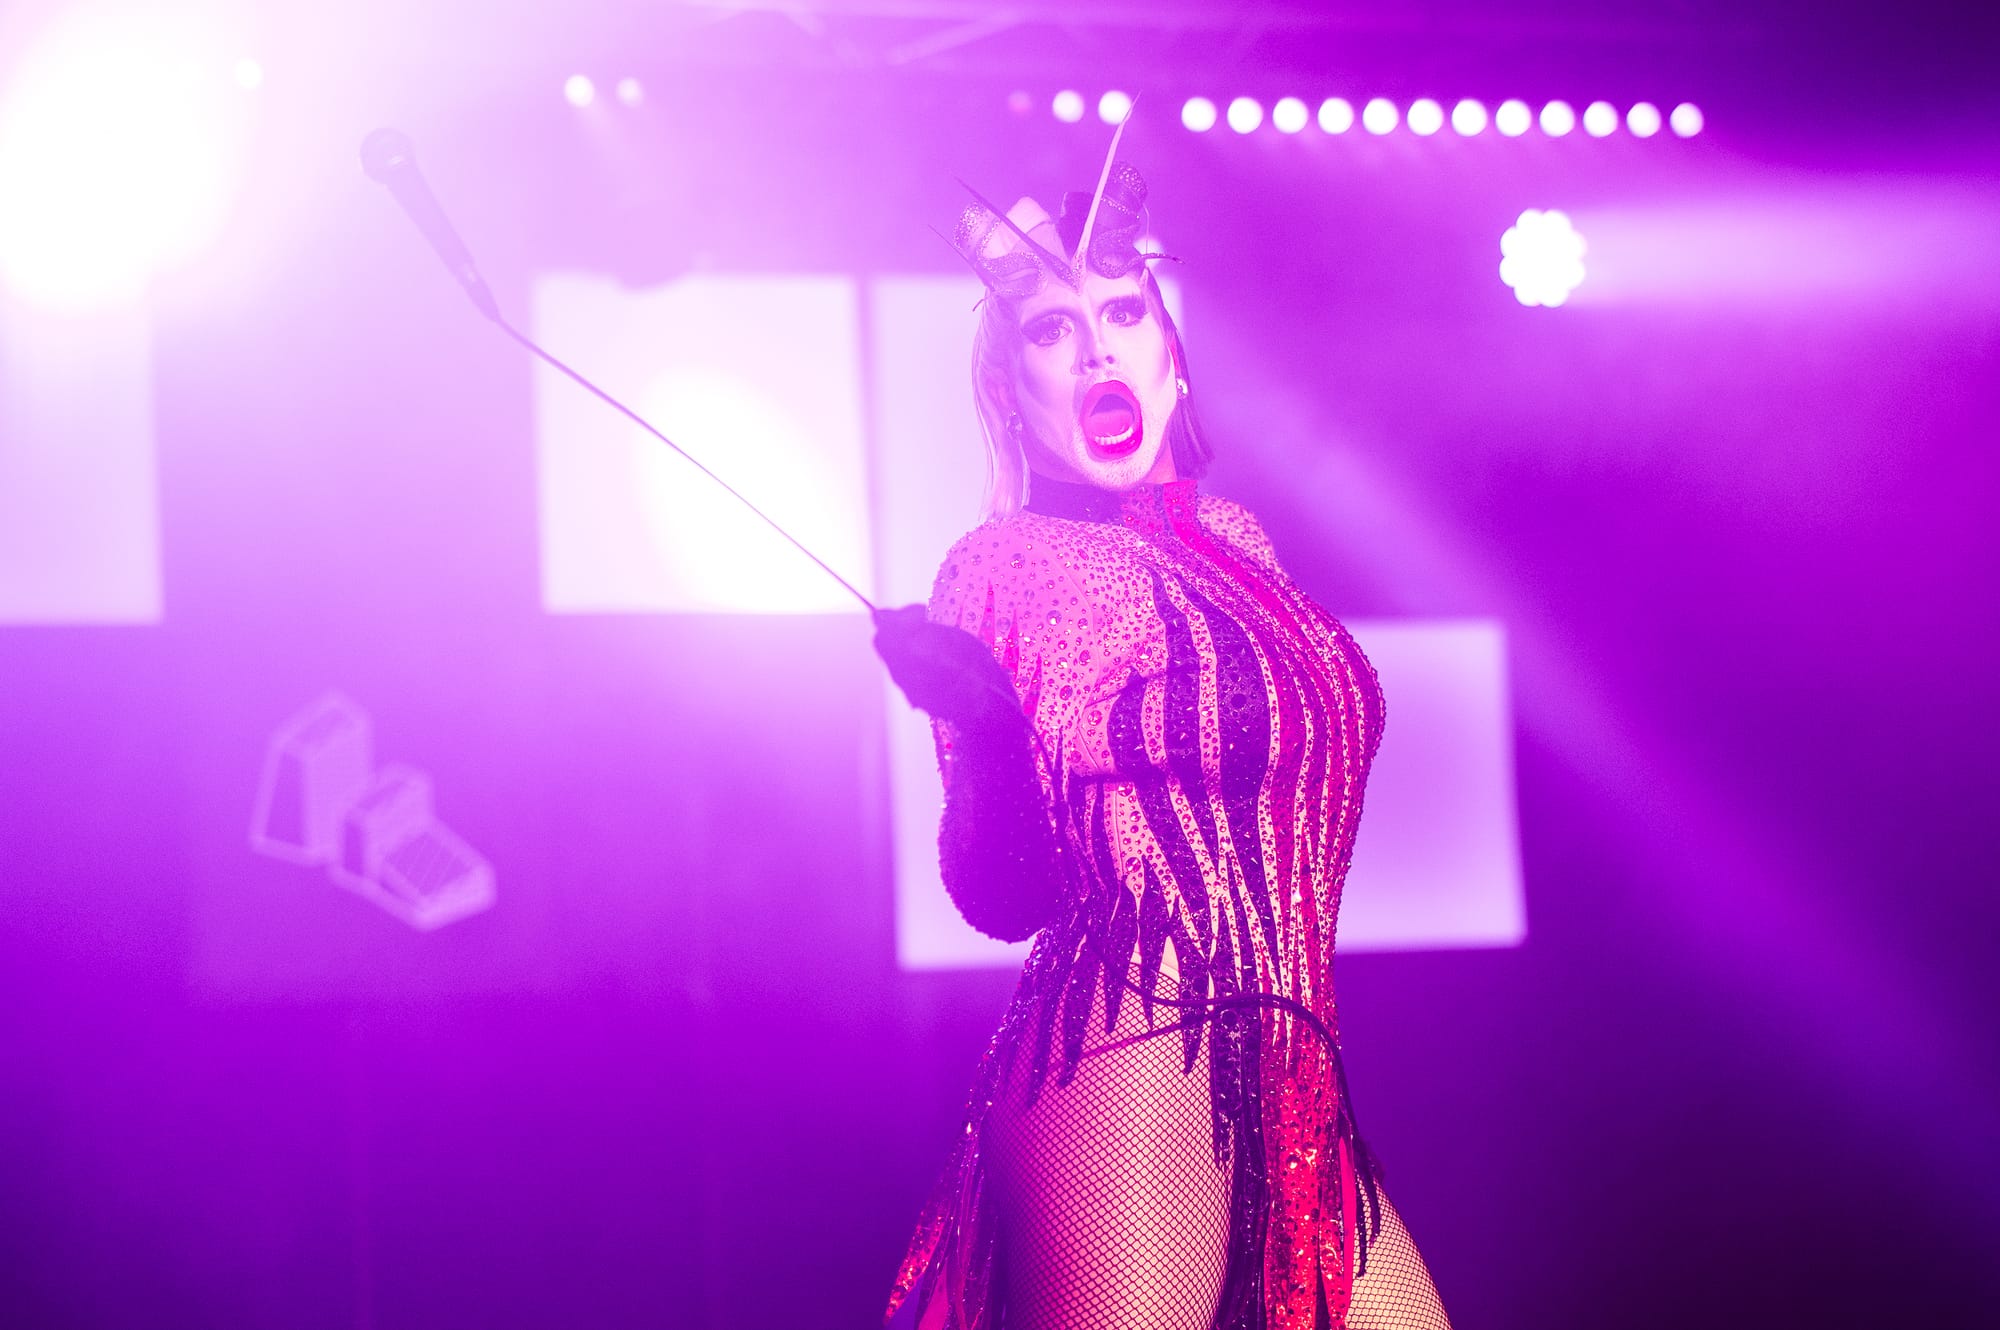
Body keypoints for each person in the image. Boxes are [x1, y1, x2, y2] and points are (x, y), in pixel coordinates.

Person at [873, 159, 1451, 1330]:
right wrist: (983, 735)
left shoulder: (1239, 537)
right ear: (1011, 389)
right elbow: (999, 896)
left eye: (1122, 311)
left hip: (1299, 1068)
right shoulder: (997, 563)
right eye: (1050, 329)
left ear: (1168, 348)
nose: (1094, 351)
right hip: (1128, 1051)